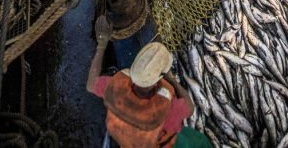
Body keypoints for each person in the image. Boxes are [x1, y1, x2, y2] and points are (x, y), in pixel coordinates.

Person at [87, 16, 210, 148]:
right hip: (151, 144)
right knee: (199, 141)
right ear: (158, 79)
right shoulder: (163, 105)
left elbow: (91, 85)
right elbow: (189, 109)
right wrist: (172, 80)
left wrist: (101, 45)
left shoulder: (118, 85)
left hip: (124, 139)